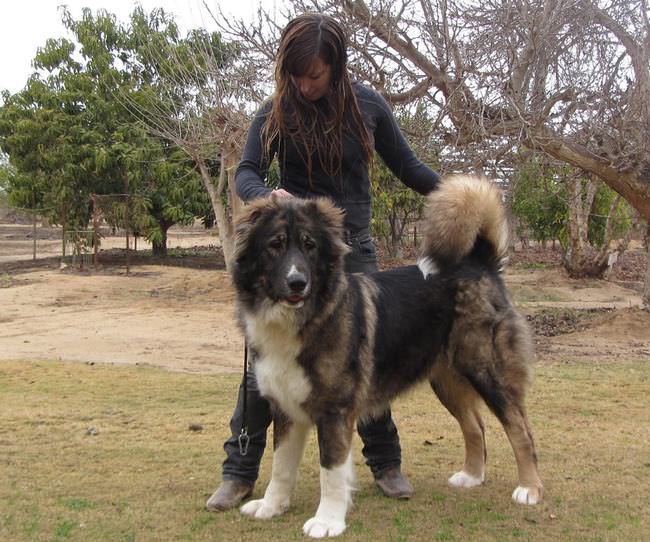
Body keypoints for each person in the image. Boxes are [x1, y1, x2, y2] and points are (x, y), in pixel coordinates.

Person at [206, 12, 441, 512]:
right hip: (292, 248)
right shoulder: (275, 112)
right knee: (262, 372)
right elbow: (246, 171)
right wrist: (267, 192)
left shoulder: (368, 107)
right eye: (295, 73)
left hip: (350, 252)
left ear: (336, 65)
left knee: (360, 364)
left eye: (313, 73)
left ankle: (387, 464)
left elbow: (410, 168)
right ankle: (239, 471)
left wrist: (458, 196)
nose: (304, 84)